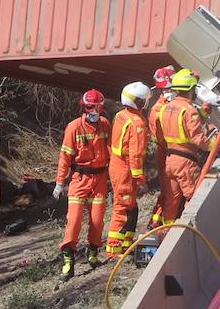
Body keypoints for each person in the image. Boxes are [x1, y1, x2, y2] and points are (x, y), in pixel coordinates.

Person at [54, 89, 112, 280]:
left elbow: (112, 150)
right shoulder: (73, 128)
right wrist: (60, 182)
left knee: (97, 219)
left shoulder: (105, 125)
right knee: (75, 220)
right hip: (79, 179)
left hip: (100, 178)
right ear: (84, 107)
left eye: (97, 108)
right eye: (90, 107)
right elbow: (65, 157)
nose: (94, 111)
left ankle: (93, 252)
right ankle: (68, 260)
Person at [153, 69, 217, 224]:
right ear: (191, 90)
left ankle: (166, 233)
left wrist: (202, 113)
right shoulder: (189, 110)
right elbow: (199, 140)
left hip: (170, 161)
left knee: (172, 201)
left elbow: (177, 127)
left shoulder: (165, 108)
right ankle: (193, 232)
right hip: (185, 163)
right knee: (194, 199)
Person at [107, 82, 151, 256]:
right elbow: (135, 154)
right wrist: (140, 178)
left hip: (118, 164)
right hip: (126, 168)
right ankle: (114, 248)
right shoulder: (137, 122)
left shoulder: (120, 115)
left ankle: (125, 243)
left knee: (129, 206)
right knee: (123, 207)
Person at [146, 65, 176, 229]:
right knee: (170, 192)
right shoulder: (157, 110)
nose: (170, 92)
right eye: (166, 89)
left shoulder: (176, 103)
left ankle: (156, 222)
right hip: (167, 154)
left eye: (172, 88)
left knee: (169, 193)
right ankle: (165, 227)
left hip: (173, 154)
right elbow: (160, 139)